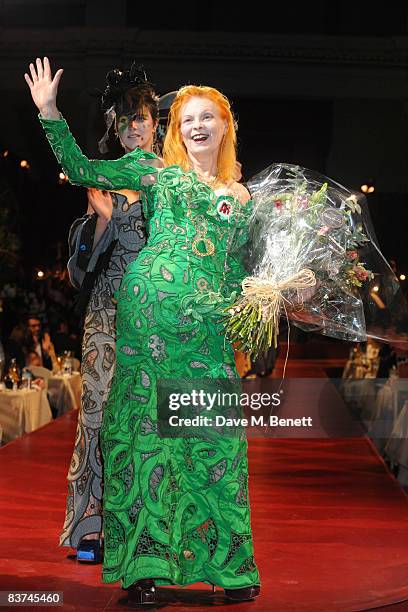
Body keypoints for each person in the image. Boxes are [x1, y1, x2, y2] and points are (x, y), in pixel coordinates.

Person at [25, 57, 260, 603]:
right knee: (143, 436)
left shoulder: (242, 197)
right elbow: (81, 168)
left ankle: (230, 567)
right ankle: (142, 569)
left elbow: (236, 269)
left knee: (211, 439)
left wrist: (262, 299)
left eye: (207, 117)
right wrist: (49, 114)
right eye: (185, 120)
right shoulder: (155, 172)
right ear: (175, 131)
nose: (196, 126)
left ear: (225, 126)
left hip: (204, 330)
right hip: (146, 318)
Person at [41, 61, 160, 561]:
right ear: (115, 124)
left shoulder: (172, 179)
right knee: (97, 416)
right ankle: (92, 523)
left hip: (156, 319)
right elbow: (79, 271)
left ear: (158, 123)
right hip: (108, 318)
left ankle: (147, 523)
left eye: (145, 118)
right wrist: (103, 224)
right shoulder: (105, 180)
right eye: (127, 118)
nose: (136, 126)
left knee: (150, 424)